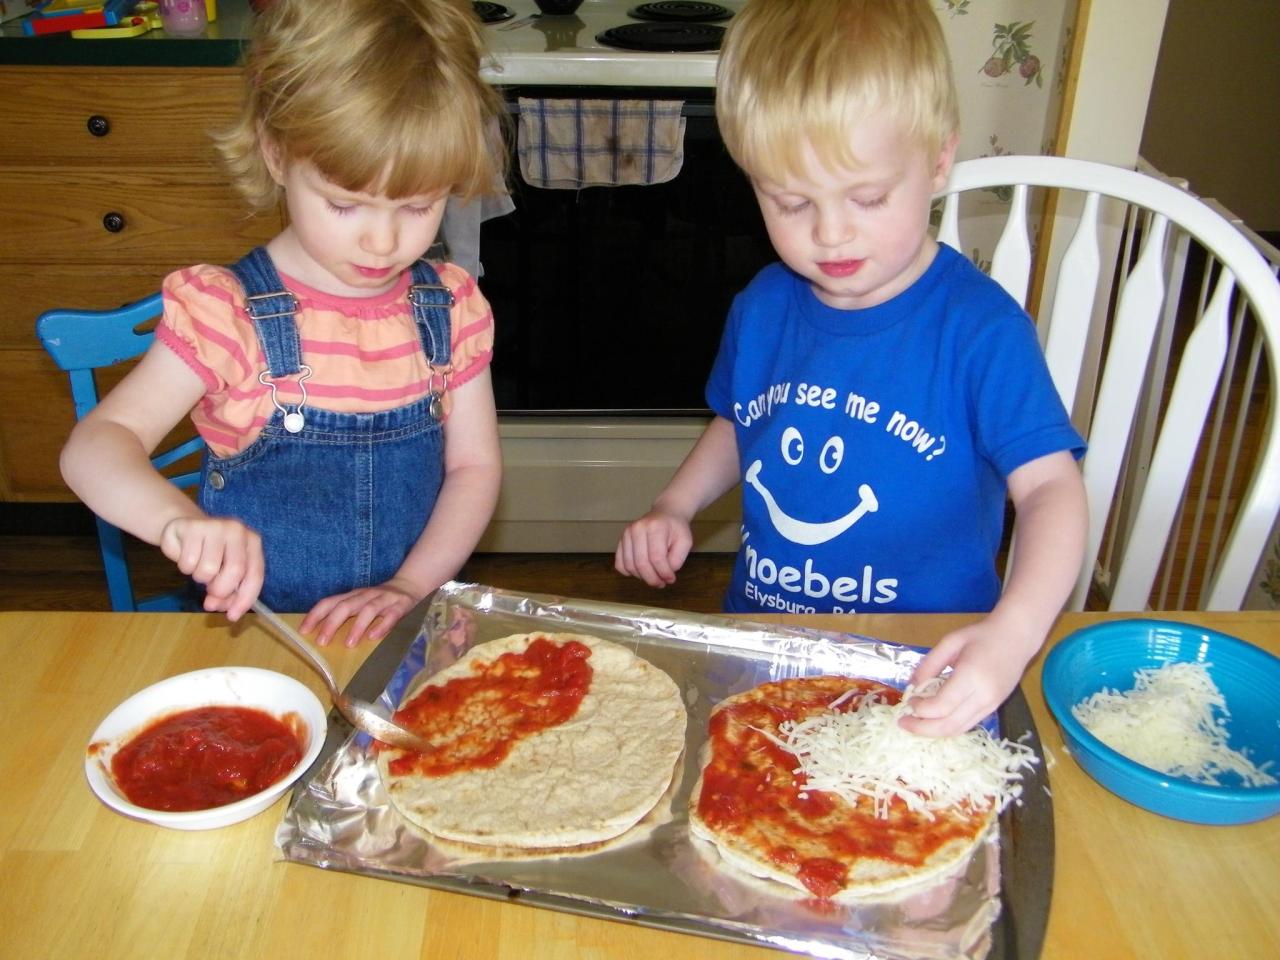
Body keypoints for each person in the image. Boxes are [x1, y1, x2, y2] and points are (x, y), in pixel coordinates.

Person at [614, 0, 1088, 736]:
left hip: (928, 668)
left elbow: (1053, 488)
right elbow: (742, 420)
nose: (830, 233)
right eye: (790, 201)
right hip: (769, 652)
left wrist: (1014, 633)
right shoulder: (764, 305)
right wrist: (676, 504)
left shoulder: (980, 329)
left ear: (937, 163)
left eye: (867, 197)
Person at [60, 0, 506, 647]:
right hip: (258, 635)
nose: (383, 241)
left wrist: (411, 586)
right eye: (345, 203)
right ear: (276, 154)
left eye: (418, 205)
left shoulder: (453, 309)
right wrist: (173, 522)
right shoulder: (227, 316)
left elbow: (474, 469)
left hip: (403, 624)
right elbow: (94, 447)